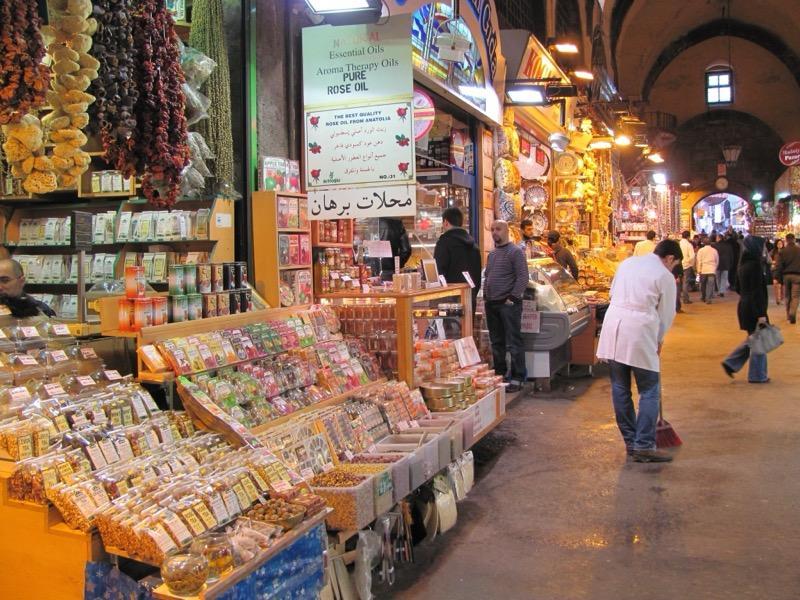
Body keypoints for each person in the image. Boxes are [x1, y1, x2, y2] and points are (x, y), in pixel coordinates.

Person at [596, 240, 682, 463]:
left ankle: (631, 442)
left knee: (620, 387)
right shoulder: (664, 276)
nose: (672, 268)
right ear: (670, 258)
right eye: (674, 264)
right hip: (640, 330)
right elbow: (667, 314)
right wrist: (659, 339)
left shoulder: (627, 264)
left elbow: (612, 293)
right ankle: (643, 444)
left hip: (614, 326)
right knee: (650, 389)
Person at [483, 220, 529, 393]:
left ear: (507, 231)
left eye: (498, 229)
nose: (495, 232)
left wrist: (512, 297)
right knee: (497, 342)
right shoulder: (492, 254)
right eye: (492, 229)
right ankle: (500, 375)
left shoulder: (515, 252)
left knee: (513, 342)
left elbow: (523, 277)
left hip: (507, 304)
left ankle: (518, 377)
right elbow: (488, 276)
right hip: (492, 303)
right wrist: (486, 296)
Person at [722, 236, 770, 383]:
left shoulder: (743, 264)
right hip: (754, 308)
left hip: (745, 306)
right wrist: (761, 314)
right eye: (763, 246)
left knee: (754, 338)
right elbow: (757, 292)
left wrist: (746, 297)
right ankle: (757, 375)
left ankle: (731, 362)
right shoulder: (755, 266)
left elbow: (738, 287)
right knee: (759, 341)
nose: (764, 249)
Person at [433, 207, 482, 309]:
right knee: (468, 320)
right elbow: (478, 275)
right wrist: (472, 294)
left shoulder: (444, 243)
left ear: (446, 222)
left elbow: (438, 272)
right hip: (469, 297)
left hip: (449, 302)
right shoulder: (474, 245)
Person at [775, 233, 800, 324]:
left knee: (787, 296)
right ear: (794, 239)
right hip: (797, 276)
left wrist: (778, 277)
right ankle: (792, 313)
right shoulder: (799, 250)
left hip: (786, 276)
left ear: (786, 240)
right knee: (795, 296)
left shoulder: (782, 251)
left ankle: (788, 316)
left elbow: (779, 266)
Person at [696, 239, 719, 304]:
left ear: (703, 243)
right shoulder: (714, 250)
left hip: (703, 270)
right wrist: (715, 268)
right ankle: (708, 299)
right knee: (710, 285)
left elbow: (699, 261)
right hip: (712, 270)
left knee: (703, 284)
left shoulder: (701, 250)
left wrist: (699, 270)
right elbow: (717, 261)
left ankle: (703, 297)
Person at [712, 232, 734, 297]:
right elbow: (731, 255)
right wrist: (731, 263)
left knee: (718, 278)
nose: (716, 239)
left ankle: (719, 291)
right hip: (726, 264)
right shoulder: (728, 246)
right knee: (724, 278)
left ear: (719, 238)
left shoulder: (714, 246)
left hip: (717, 264)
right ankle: (722, 291)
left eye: (716, 238)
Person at [679, 230, 695, 304]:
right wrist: (690, 263)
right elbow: (692, 256)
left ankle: (678, 299)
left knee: (678, 282)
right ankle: (685, 299)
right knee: (685, 282)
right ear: (688, 237)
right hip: (686, 265)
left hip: (679, 265)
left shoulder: (679, 243)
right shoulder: (689, 245)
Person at [771, 239, 785, 305]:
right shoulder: (773, 251)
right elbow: (769, 259)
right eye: (778, 244)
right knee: (775, 284)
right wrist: (772, 262)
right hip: (775, 270)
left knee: (780, 285)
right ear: (776, 245)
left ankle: (780, 298)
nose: (779, 245)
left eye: (781, 243)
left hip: (782, 270)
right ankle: (777, 299)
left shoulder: (785, 251)